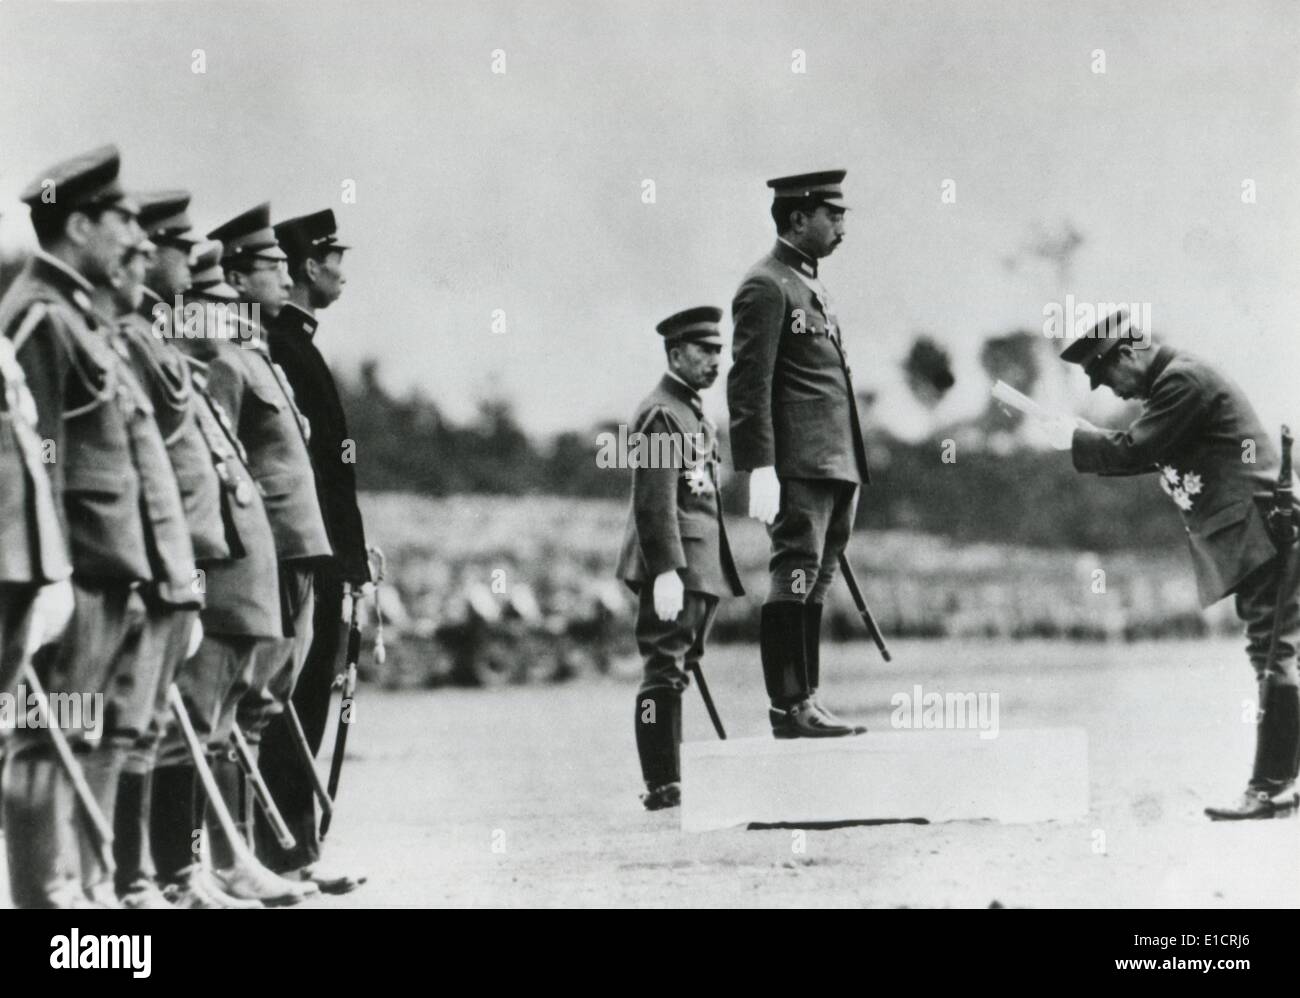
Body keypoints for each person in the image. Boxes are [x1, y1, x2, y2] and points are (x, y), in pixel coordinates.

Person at [0, 145, 197, 906]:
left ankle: (83, 896)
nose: (137, 237)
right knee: (43, 743)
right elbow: (26, 455)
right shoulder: (40, 315)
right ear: (79, 224)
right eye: (120, 219)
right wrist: (44, 579)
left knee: (82, 738)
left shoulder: (81, 318)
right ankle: (48, 907)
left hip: (107, 572)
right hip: (70, 573)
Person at [1050, 308, 1299, 820]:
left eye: (1107, 375)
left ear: (1131, 351)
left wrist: (1073, 439)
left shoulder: (1181, 380)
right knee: (1276, 651)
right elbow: (1142, 446)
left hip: (1261, 530)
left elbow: (1136, 449)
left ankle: (1270, 789)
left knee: (1276, 652)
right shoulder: (1179, 380)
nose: (1111, 391)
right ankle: (1281, 785)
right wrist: (1082, 434)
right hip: (1257, 528)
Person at [203, 204, 337, 892]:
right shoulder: (226, 358)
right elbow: (217, 457)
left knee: (270, 700)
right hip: (270, 549)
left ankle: (269, 857)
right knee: (247, 703)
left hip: (300, 545)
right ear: (235, 275)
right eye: (271, 266)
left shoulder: (261, 352)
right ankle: (242, 861)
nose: (286, 276)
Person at [727, 170, 869, 738]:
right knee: (794, 575)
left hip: (835, 463)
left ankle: (805, 698)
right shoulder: (766, 286)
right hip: (797, 466)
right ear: (797, 218)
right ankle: (787, 706)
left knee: (817, 579)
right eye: (832, 216)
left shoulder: (809, 287)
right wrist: (759, 465)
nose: (841, 228)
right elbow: (748, 383)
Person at [253, 209, 367, 891]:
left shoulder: (300, 345)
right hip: (305, 553)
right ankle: (284, 851)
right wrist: (339, 558)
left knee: (307, 701)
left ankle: (293, 848)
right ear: (305, 268)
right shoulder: (283, 348)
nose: (342, 273)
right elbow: (313, 472)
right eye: (335, 259)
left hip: (325, 551)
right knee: (293, 703)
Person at [615, 306, 744, 810]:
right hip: (677, 566)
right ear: (675, 354)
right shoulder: (662, 413)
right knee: (663, 670)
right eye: (704, 351)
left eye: (718, 350)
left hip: (699, 563)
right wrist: (666, 569)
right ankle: (663, 781)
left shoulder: (690, 410)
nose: (716, 360)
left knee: (677, 668)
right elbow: (654, 501)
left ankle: (671, 777)